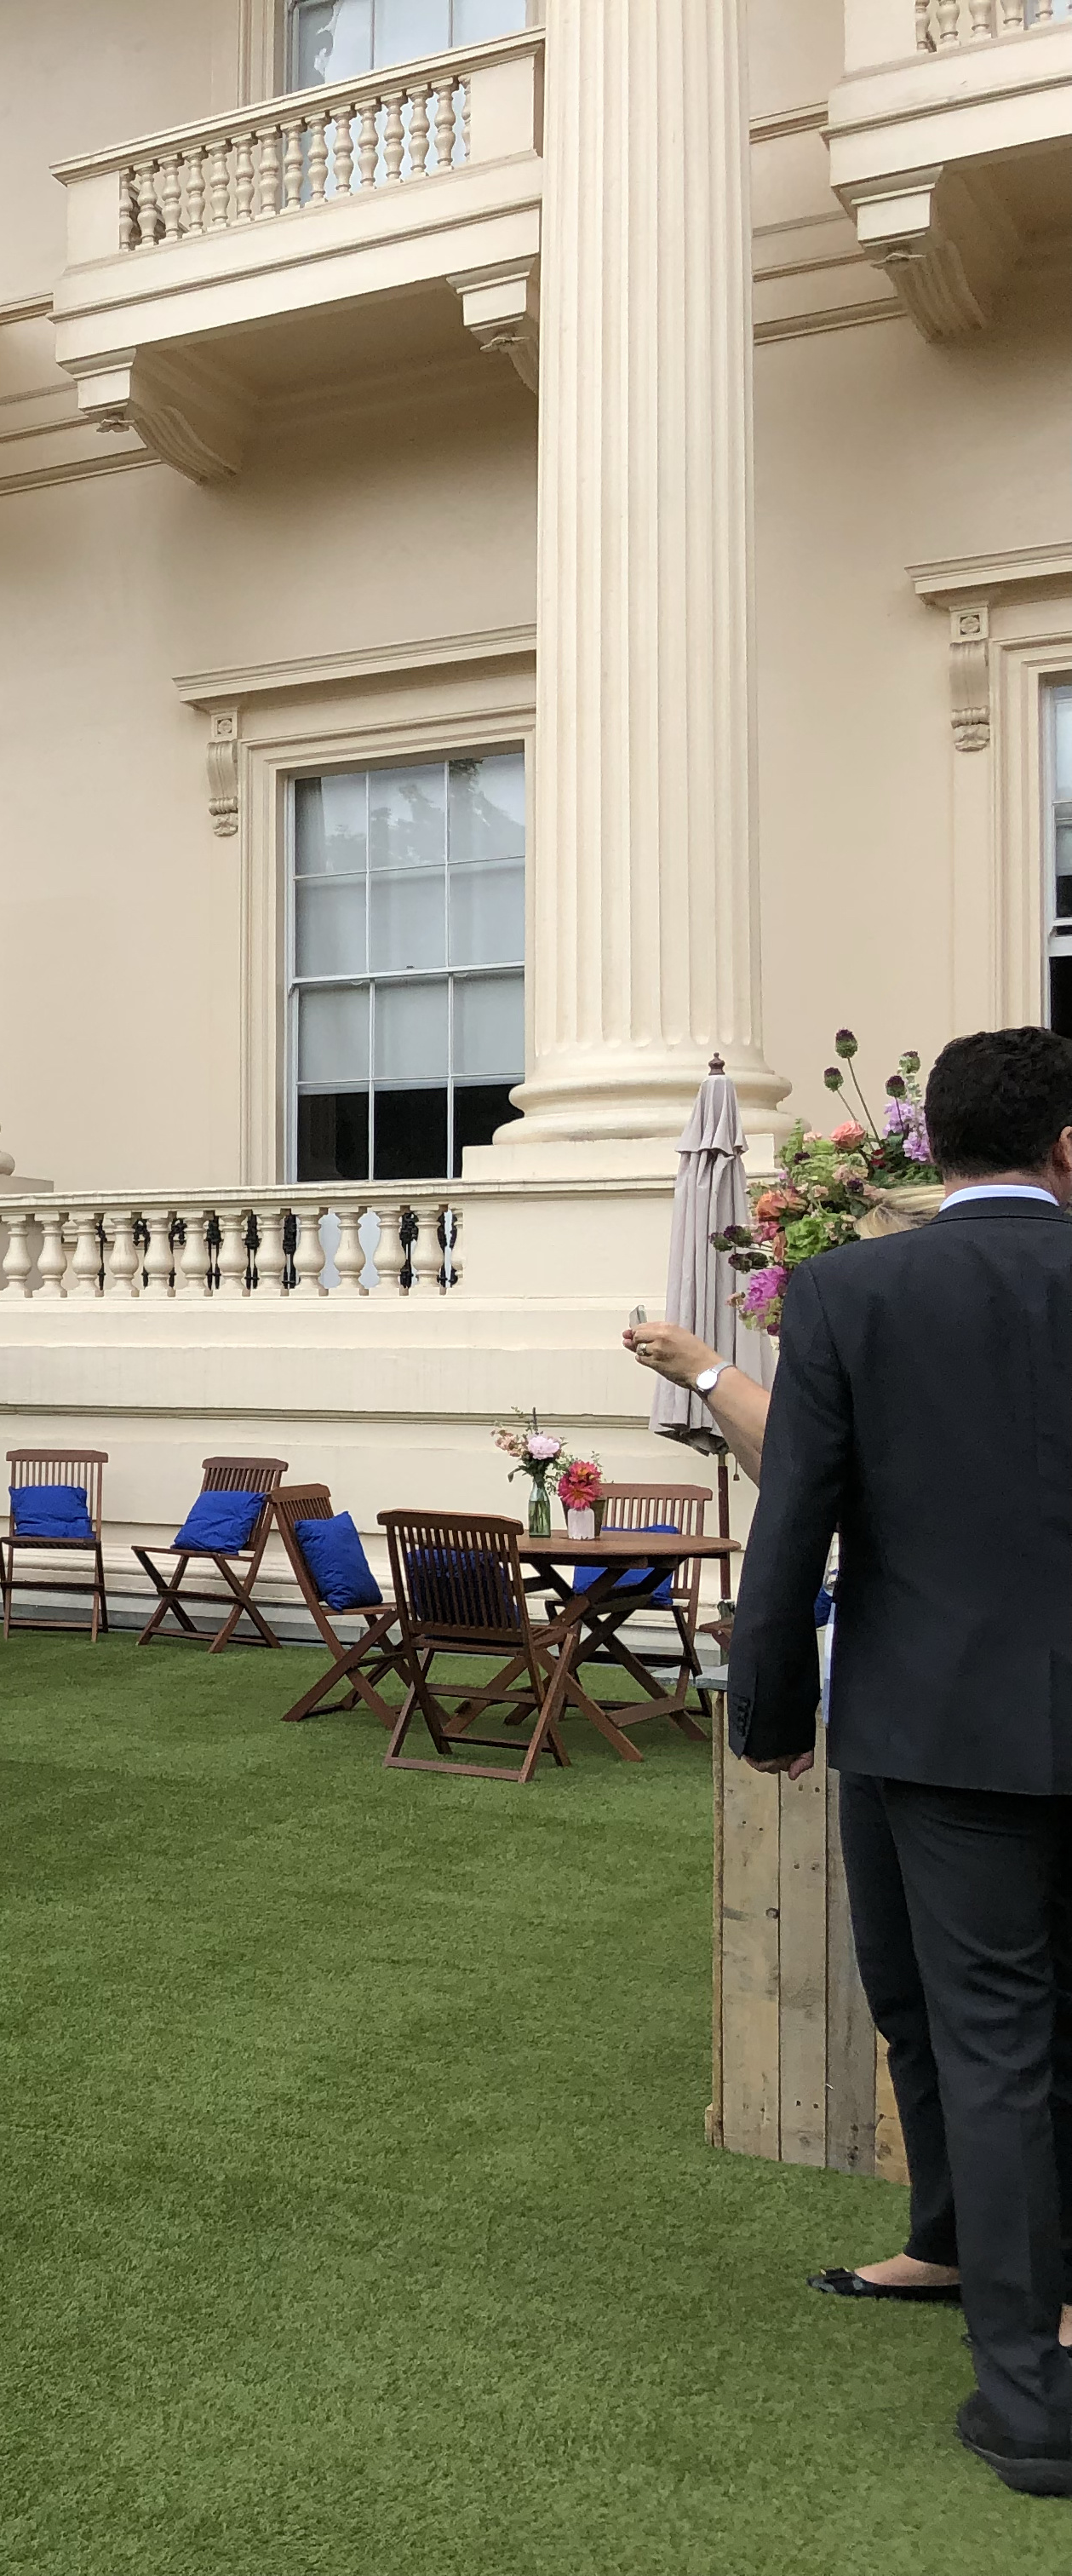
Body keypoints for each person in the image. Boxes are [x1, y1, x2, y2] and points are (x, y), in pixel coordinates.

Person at [731, 1025, 1072, 2495]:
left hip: (927, 1720)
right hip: (921, 1727)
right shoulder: (848, 1287)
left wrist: (763, 1710)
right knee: (920, 2000)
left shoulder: (849, 1287)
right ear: (1065, 1146)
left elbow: (791, 1515)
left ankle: (1030, 2399)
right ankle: (945, 2238)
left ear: (926, 1144)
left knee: (982, 2031)